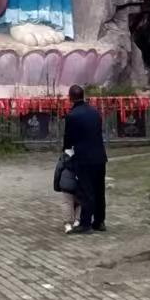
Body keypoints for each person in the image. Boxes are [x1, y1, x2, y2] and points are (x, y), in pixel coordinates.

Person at [61, 84, 107, 232]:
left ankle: (86, 223)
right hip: (99, 157)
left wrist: (66, 153)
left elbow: (68, 139)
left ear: (70, 98)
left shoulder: (72, 116)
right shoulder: (95, 112)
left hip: (83, 158)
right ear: (83, 96)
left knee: (86, 191)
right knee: (99, 190)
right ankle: (99, 222)